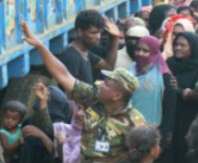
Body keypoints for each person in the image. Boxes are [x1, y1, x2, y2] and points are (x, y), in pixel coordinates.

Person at [20, 22, 147, 163]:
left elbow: (146, 155)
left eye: (106, 84)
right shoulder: (94, 96)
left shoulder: (134, 122)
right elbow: (64, 75)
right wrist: (40, 46)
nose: (100, 84)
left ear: (117, 96)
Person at [128, 36, 176, 156]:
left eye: (145, 51)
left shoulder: (164, 76)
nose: (140, 53)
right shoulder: (128, 72)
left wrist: (164, 136)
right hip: (129, 131)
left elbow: (169, 108)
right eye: (138, 49)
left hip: (153, 134)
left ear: (154, 52)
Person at [167, 32, 198, 162]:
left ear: (193, 48)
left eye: (183, 45)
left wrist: (178, 90)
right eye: (176, 44)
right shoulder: (169, 64)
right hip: (171, 117)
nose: (178, 48)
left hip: (190, 120)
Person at [55, 10, 121, 85]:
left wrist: (115, 37)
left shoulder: (85, 52)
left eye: (99, 32)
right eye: (93, 33)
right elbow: (70, 92)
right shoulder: (71, 57)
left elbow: (109, 66)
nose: (98, 37)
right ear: (80, 32)